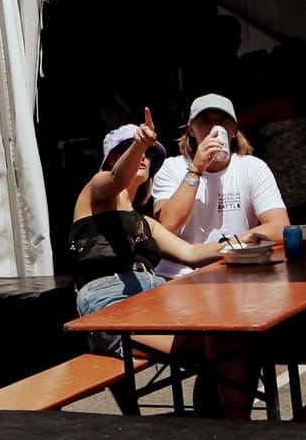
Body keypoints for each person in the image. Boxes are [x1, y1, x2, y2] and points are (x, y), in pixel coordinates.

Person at [66, 113, 220, 347]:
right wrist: (140, 143)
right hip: (111, 299)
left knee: (226, 340)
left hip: (154, 296)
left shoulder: (144, 223)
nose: (143, 157)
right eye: (127, 148)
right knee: (210, 344)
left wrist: (245, 244)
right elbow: (117, 178)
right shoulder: (96, 189)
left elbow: (192, 254)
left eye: (149, 153)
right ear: (110, 159)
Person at [150, 93, 288, 276]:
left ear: (233, 130)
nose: (214, 128)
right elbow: (166, 227)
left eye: (221, 122)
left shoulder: (252, 167)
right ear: (191, 130)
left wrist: (231, 245)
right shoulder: (171, 167)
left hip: (236, 267)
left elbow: (280, 226)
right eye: (206, 121)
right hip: (179, 274)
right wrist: (196, 169)